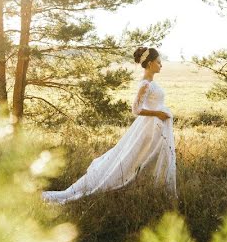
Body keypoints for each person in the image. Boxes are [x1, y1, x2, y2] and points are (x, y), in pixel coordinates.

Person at [42, 47, 177, 204]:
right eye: (159, 62)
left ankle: (155, 192)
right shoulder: (145, 84)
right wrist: (158, 114)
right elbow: (136, 109)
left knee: (152, 159)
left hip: (156, 127)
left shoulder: (151, 83)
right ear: (150, 63)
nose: (161, 65)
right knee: (135, 158)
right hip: (150, 127)